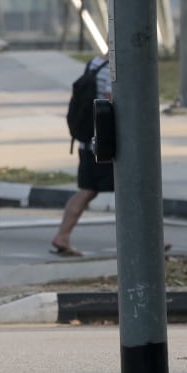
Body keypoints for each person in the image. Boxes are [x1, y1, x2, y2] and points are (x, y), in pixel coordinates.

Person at [50, 53, 112, 257]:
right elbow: (111, 100)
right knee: (132, 190)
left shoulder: (95, 63)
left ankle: (63, 236)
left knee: (87, 190)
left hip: (88, 142)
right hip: (105, 144)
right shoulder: (113, 68)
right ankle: (150, 239)